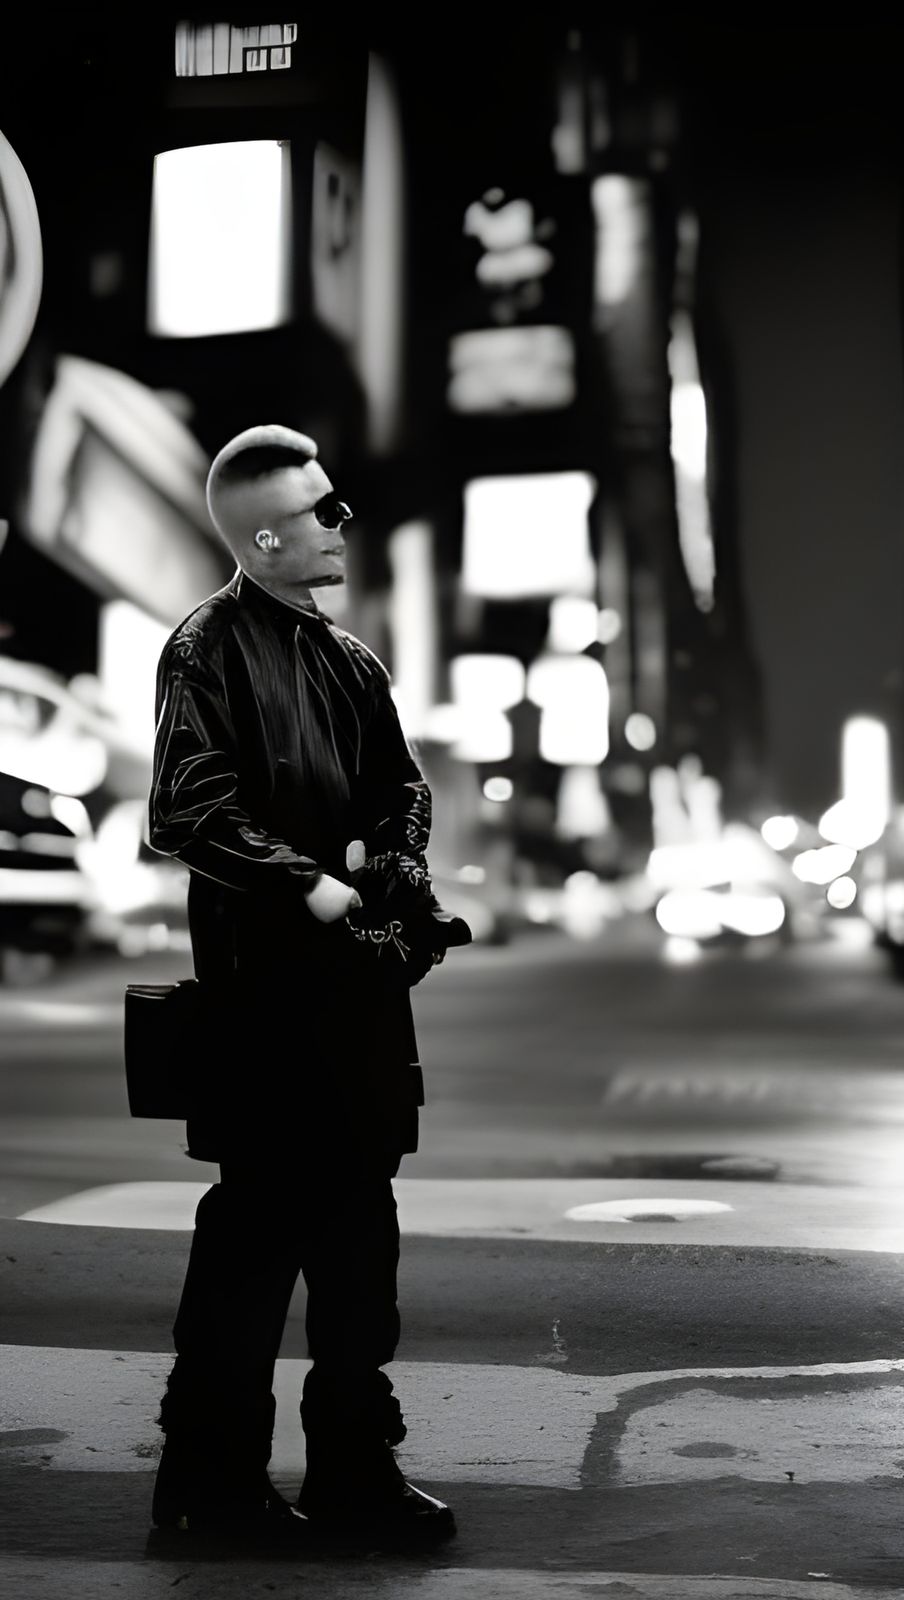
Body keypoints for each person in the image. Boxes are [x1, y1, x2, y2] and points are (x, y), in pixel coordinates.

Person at [146, 424, 464, 1544]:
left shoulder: (347, 657)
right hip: (261, 1001)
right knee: (252, 1246)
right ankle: (212, 1483)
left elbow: (401, 786)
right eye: (322, 510)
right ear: (266, 534)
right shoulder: (204, 647)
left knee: (357, 1244)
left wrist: (395, 859)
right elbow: (184, 810)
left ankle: (353, 1469)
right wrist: (318, 890)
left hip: (360, 1001)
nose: (342, 521)